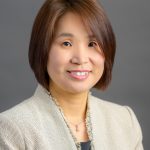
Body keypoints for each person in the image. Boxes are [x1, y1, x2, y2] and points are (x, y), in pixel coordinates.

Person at [0, 0, 143, 149]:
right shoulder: (12, 129)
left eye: (92, 44)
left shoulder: (125, 121)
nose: (80, 59)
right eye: (66, 43)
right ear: (42, 49)